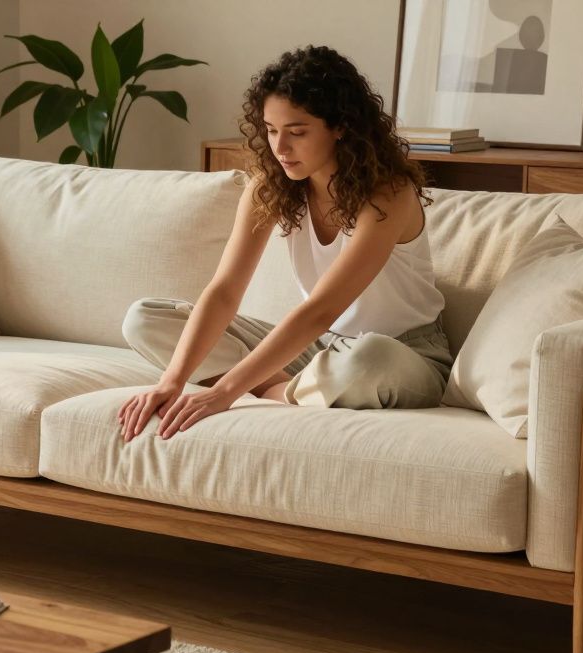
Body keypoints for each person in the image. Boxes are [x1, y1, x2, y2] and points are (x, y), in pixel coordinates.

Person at [116, 45, 451, 443]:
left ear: (341, 126)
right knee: (146, 318)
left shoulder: (388, 195)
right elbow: (224, 291)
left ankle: (273, 390)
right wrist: (172, 381)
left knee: (365, 361)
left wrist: (225, 392)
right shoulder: (269, 187)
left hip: (403, 354)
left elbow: (321, 310)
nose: (280, 148)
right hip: (320, 348)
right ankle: (293, 390)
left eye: (297, 132)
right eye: (271, 130)